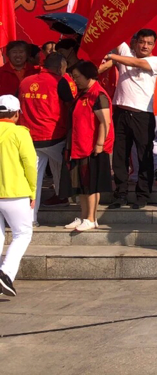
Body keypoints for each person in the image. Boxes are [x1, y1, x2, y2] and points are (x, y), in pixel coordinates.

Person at [100, 29, 157, 209]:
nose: (145, 46)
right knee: (120, 156)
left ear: (154, 45)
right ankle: (120, 194)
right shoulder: (125, 53)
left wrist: (112, 57)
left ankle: (142, 195)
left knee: (144, 156)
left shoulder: (155, 61)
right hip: (121, 113)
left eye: (149, 43)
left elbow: (136, 63)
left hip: (142, 115)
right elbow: (115, 35)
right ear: (135, 42)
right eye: (142, 42)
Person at [17, 53, 75, 223]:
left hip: (29, 137)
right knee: (65, 166)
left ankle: (30, 220)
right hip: (54, 136)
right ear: (60, 68)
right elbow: (70, 106)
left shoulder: (25, 81)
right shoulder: (59, 81)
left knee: (33, 179)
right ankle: (65, 197)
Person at [63, 60, 113, 233]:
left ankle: (91, 218)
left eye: (77, 77)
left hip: (91, 147)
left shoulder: (98, 95)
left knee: (91, 184)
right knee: (82, 184)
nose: (75, 80)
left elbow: (105, 121)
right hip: (79, 145)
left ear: (88, 76)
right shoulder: (83, 93)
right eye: (73, 76)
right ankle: (84, 216)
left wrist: (99, 144)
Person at [0, 95, 37, 297]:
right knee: (22, 234)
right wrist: (33, 191)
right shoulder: (19, 133)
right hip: (15, 192)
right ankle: (5, 273)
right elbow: (30, 164)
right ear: (16, 114)